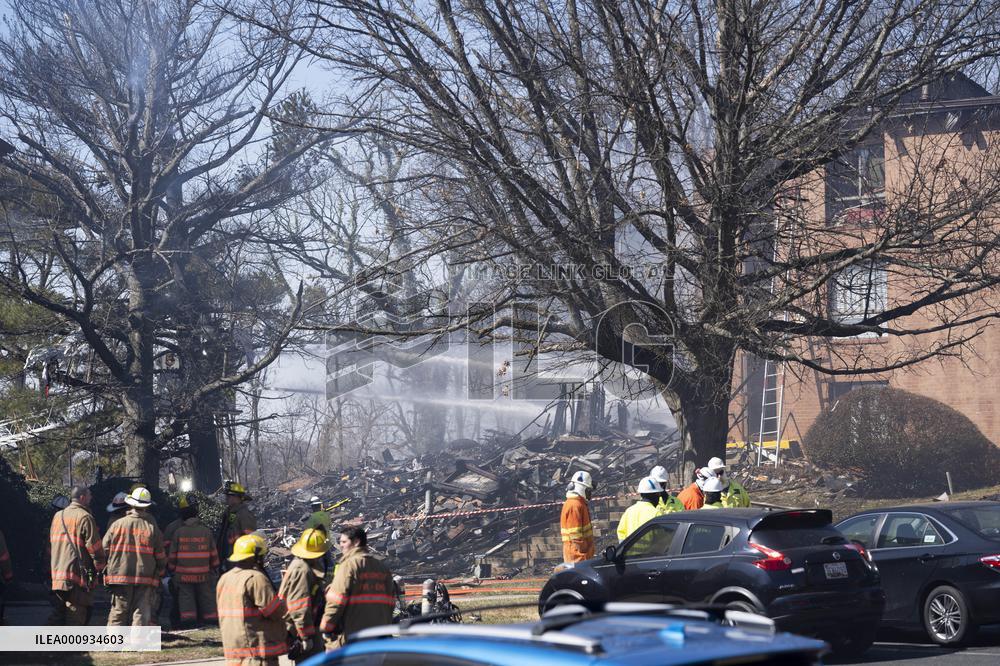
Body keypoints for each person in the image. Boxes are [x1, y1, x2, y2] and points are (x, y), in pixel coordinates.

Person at [217, 534, 287, 665]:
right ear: (256, 556)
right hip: (256, 655)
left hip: (234, 653)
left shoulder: (224, 579)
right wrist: (283, 603)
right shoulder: (255, 578)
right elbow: (275, 611)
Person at [321, 526, 394, 649]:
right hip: (380, 636)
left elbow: (336, 601)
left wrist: (326, 628)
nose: (341, 546)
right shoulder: (382, 568)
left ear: (356, 542)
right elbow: (390, 603)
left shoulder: (349, 566)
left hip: (354, 637)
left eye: (344, 542)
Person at [103, 487, 166, 626]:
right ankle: (139, 643)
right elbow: (160, 555)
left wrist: (109, 566)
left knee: (118, 610)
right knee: (141, 611)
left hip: (119, 576)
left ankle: (114, 644)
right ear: (146, 506)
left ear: (131, 504)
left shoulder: (117, 524)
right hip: (145, 577)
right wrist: (160, 570)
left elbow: (104, 548)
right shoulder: (152, 527)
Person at [49, 485, 106, 625]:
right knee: (76, 615)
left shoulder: (58, 516)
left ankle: (42, 643)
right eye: (89, 495)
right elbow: (95, 548)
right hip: (76, 576)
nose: (91, 498)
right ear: (82, 497)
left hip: (58, 575)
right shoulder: (85, 517)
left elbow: (51, 545)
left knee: (59, 614)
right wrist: (100, 568)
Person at [278, 528, 329, 664]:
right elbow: (298, 606)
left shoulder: (302, 565)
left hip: (304, 628)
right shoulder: (302, 570)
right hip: (302, 631)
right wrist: (306, 637)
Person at [167, 499, 219, 627]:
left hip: (183, 574)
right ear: (196, 516)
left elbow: (173, 554)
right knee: (207, 596)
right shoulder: (206, 531)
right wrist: (215, 566)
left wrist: (172, 569)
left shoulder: (178, 532)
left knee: (186, 597)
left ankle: (189, 621)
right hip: (203, 573)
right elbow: (213, 552)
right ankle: (210, 620)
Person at [217, 481, 257, 567]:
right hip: (229, 560)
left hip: (240, 561)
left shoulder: (244, 514)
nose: (226, 498)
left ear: (236, 497)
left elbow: (250, 539)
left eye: (229, 496)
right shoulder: (229, 513)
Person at [559, 471, 595, 563]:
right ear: (582, 489)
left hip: (578, 553)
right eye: (588, 490)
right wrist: (584, 552)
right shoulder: (574, 505)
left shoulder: (578, 503)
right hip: (577, 555)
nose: (589, 493)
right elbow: (575, 535)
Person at [617, 477, 664, 542]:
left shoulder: (629, 511)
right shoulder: (656, 514)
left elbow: (621, 535)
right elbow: (662, 539)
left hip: (629, 551)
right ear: (656, 494)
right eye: (659, 494)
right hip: (650, 551)